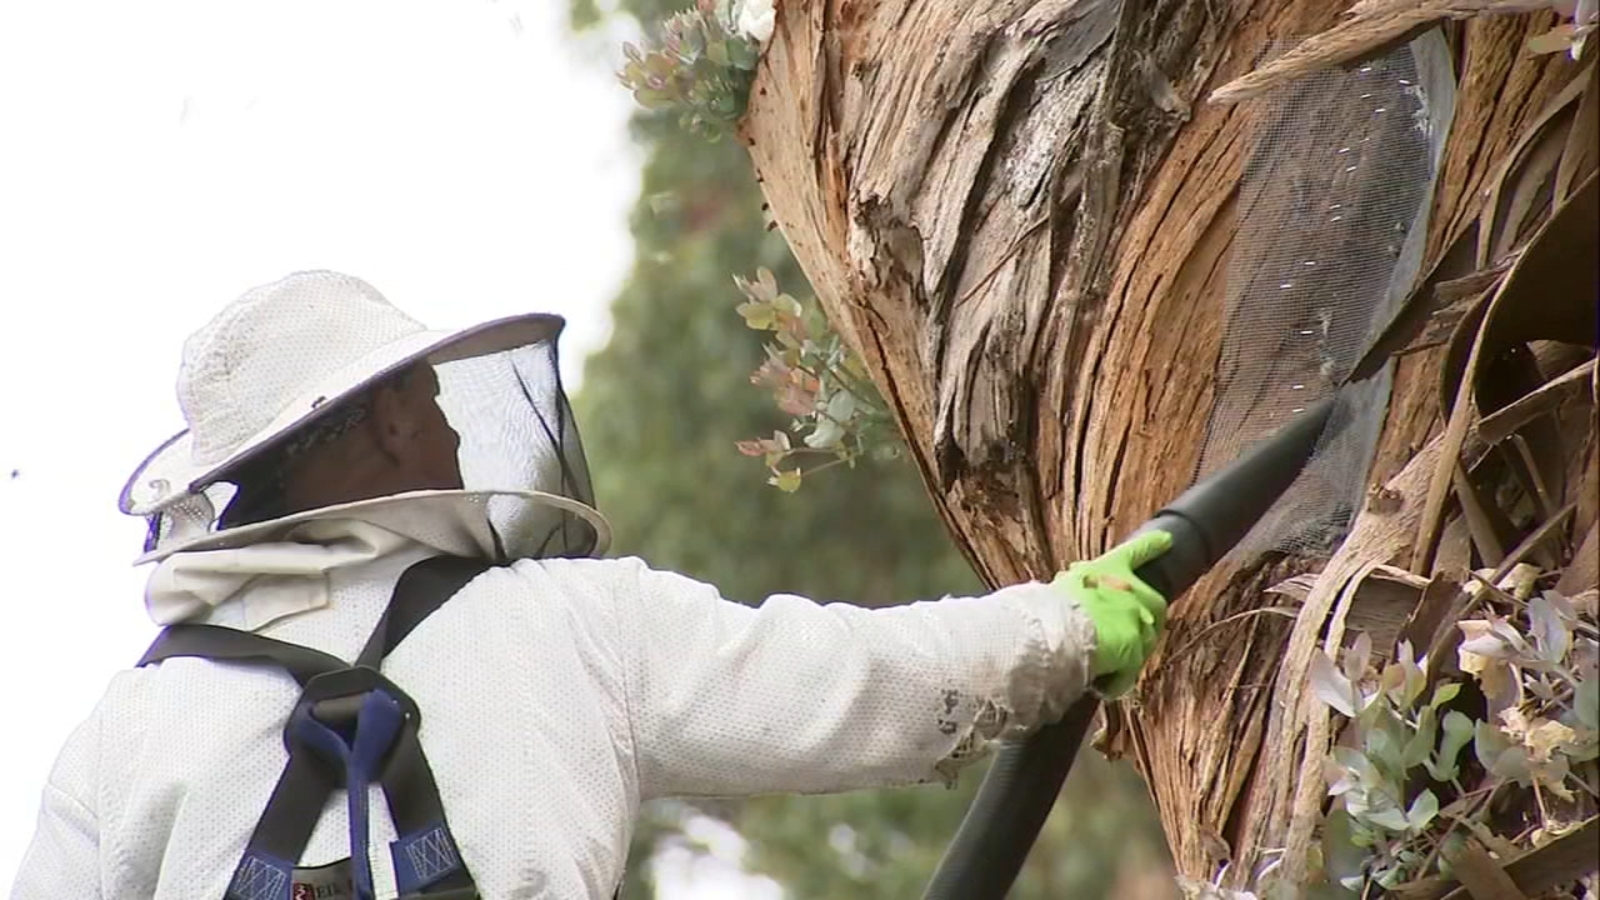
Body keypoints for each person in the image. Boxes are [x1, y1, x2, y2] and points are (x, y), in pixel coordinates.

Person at [9, 270, 1172, 900]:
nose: (455, 435)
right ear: (382, 426)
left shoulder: (120, 735)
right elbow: (863, 687)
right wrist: (1069, 624)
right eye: (430, 404)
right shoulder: (571, 625)